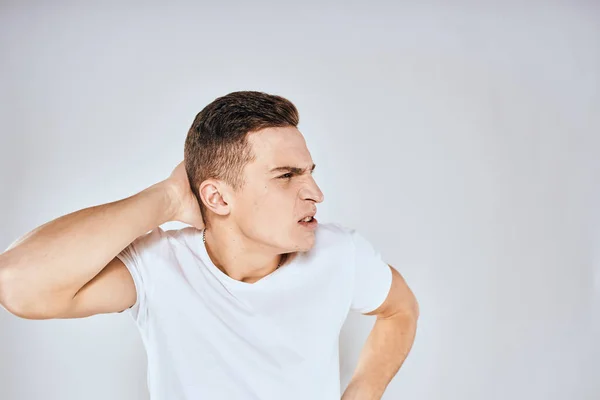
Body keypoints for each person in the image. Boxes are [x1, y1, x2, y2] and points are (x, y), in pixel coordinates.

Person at [0, 91, 419, 399]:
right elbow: (17, 284)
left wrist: (364, 393)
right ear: (217, 198)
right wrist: (165, 197)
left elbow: (400, 310)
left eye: (309, 172)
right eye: (287, 176)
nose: (315, 193)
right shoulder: (159, 265)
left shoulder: (339, 254)